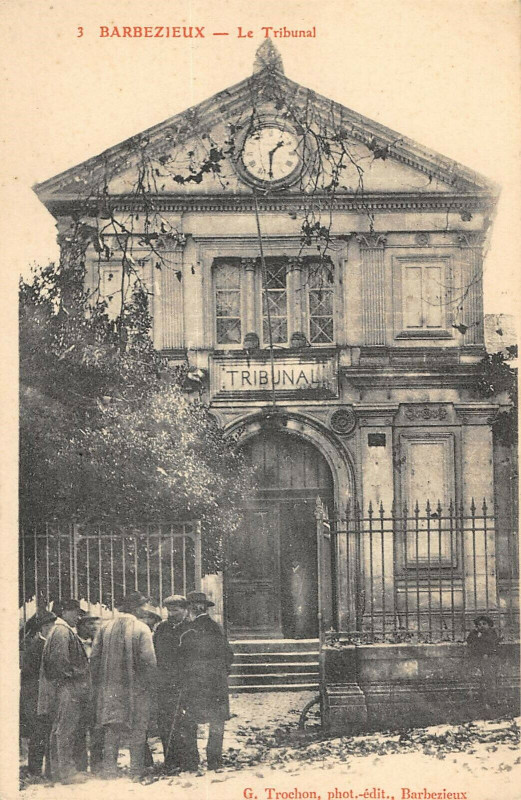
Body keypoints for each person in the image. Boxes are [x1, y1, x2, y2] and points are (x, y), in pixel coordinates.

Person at [90, 591, 158, 780]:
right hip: (136, 687)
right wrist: (149, 683)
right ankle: (136, 770)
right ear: (136, 608)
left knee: (112, 728)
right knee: (138, 728)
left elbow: (94, 658)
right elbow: (149, 661)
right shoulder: (142, 628)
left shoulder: (105, 627)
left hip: (110, 687)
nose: (145, 608)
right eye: (143, 605)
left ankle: (109, 769)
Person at [177, 591, 233, 771]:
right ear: (204, 608)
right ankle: (214, 760)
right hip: (216, 682)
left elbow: (181, 659)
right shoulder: (216, 627)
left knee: (190, 721)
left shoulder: (186, 630)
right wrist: (222, 673)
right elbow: (228, 655)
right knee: (216, 721)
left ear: (191, 609)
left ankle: (191, 761)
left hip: (194, 682)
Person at [37, 599, 90, 784]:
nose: (78, 617)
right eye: (76, 612)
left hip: (61, 686)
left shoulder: (59, 630)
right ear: (66, 612)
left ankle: (56, 771)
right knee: (65, 730)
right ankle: (66, 772)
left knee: (58, 730)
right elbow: (60, 663)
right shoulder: (62, 631)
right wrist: (79, 674)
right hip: (66, 687)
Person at [153, 595, 190, 772]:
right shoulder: (161, 628)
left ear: (185, 610)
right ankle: (171, 759)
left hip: (185, 681)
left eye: (175, 610)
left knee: (185, 722)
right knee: (165, 722)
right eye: (169, 610)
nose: (171, 613)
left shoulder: (190, 628)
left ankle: (188, 760)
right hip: (164, 682)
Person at [20, 610, 56, 779]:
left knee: (45, 732)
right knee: (39, 734)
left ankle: (46, 771)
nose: (52, 629)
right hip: (35, 696)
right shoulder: (37, 646)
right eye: (50, 626)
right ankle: (34, 771)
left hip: (41, 695)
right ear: (44, 627)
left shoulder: (43, 644)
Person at [74, 616, 103, 774]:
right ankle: (80, 766)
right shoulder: (73, 642)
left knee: (97, 728)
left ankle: (97, 765)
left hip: (96, 692)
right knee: (79, 729)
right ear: (81, 626)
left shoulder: (100, 643)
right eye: (90, 623)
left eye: (95, 623)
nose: (94, 626)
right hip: (79, 693)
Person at [466, 614, 500, 711]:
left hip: (489, 660)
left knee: (490, 679)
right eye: (479, 624)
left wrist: (486, 652)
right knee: (481, 681)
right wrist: (477, 636)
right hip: (478, 660)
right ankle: (483, 702)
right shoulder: (475, 633)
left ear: (489, 625)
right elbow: (470, 642)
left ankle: (491, 701)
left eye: (484, 624)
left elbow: (493, 645)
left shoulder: (492, 633)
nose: (481, 626)